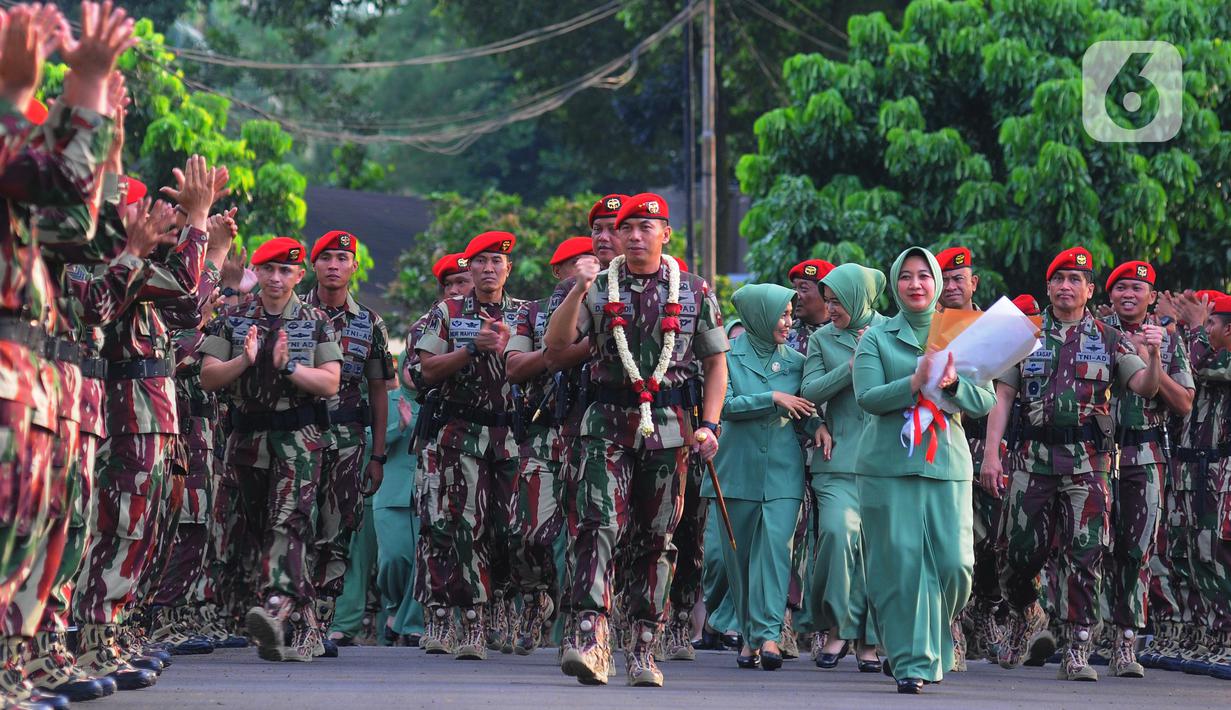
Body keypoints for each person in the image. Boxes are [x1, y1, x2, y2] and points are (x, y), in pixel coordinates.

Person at [544, 193, 728, 687]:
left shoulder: (692, 290)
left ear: (666, 234)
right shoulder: (600, 288)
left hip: (670, 429)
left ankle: (644, 643)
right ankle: (590, 636)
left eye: (649, 228)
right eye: (629, 229)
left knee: (657, 537)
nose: (638, 235)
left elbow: (715, 363)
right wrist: (576, 292)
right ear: (619, 238)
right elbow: (556, 346)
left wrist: (709, 424)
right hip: (605, 423)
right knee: (598, 525)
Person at [981, 246, 1163, 682]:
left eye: (1075, 280)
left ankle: (1077, 646)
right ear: (1048, 287)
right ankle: (1027, 610)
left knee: (1087, 552)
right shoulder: (1025, 334)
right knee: (1018, 553)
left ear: (1088, 289)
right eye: (1059, 279)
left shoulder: (1110, 337)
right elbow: (1002, 396)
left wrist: (1154, 355)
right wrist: (991, 453)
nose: (1066, 286)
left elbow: (1143, 386)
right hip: (1031, 461)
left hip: (1088, 463)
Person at [851, 246, 995, 693]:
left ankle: (926, 641)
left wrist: (952, 382)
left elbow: (985, 399)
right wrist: (914, 383)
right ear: (895, 284)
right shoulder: (877, 336)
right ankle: (911, 658)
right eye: (907, 276)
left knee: (955, 566)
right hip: (886, 465)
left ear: (936, 283)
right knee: (900, 566)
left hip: (945, 463)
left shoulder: (960, 332)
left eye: (925, 276)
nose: (917, 284)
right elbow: (868, 397)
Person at [200, 236, 343, 663]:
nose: (277, 278)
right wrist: (244, 362)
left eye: (286, 271)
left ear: (300, 275)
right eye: (269, 269)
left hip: (299, 441)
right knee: (258, 528)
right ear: (257, 273)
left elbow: (331, 382)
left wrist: (290, 367)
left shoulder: (317, 321)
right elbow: (209, 377)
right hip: (247, 442)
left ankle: (278, 609)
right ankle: (306, 627)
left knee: (290, 522)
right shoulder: (233, 318)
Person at [414, 231, 523, 661]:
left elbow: (543, 364)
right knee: (460, 528)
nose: (489, 268)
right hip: (460, 437)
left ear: (508, 268)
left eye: (497, 261)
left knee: (511, 531)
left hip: (511, 439)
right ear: (470, 267)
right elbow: (423, 371)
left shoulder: (525, 313)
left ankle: (505, 608)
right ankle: (470, 620)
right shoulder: (448, 312)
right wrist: (469, 350)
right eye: (481, 261)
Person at [710, 283, 817, 671]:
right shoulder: (725, 357)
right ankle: (750, 636)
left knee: (775, 552)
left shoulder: (797, 362)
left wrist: (818, 425)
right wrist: (771, 398)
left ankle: (769, 635)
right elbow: (723, 406)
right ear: (758, 315)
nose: (788, 322)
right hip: (734, 472)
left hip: (783, 472)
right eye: (781, 315)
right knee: (736, 560)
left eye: (791, 314)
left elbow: (807, 406)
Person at [1099, 261, 1193, 677]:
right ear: (1109, 296)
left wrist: (1147, 358)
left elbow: (1185, 403)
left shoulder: (1168, 341)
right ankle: (1088, 635)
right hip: (1096, 455)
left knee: (1137, 551)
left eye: (1137, 288)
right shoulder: (1093, 333)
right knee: (1091, 548)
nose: (1128, 295)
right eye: (1121, 288)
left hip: (1144, 456)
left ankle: (1125, 643)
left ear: (1152, 297)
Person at [505, 236, 598, 655]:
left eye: (592, 264)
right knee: (526, 532)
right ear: (558, 272)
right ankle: (537, 597)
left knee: (587, 535)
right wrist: (562, 353)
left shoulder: (613, 310)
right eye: (576, 266)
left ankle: (581, 627)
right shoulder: (533, 313)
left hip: (593, 433)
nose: (586, 272)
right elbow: (514, 367)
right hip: (544, 435)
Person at [304, 229, 394, 657]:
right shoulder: (294, 313)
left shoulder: (370, 322)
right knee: (294, 526)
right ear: (313, 265)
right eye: (326, 258)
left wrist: (378, 455)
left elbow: (379, 390)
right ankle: (291, 613)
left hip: (348, 442)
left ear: (355, 267)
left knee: (336, 532)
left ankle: (319, 622)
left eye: (343, 258)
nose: (334, 265)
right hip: (298, 438)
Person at [800, 263, 887, 673]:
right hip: (837, 460)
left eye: (837, 301)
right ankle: (838, 627)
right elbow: (809, 391)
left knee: (873, 549)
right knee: (837, 536)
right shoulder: (821, 338)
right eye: (828, 301)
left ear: (859, 297)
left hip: (885, 460)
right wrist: (852, 364)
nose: (830, 308)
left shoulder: (892, 329)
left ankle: (868, 641)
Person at [933, 245, 1000, 670]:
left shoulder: (996, 326)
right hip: (939, 440)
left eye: (961, 278)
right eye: (947, 279)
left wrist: (994, 451)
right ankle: (953, 628)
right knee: (951, 539)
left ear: (974, 283)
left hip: (986, 440)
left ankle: (990, 615)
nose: (954, 286)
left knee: (991, 540)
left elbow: (1002, 394)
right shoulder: (927, 324)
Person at [782, 258, 834, 659]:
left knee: (830, 539)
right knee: (791, 537)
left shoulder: (852, 333)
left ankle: (824, 624)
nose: (797, 296)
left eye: (805, 289)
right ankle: (783, 621)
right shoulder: (787, 338)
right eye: (796, 288)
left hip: (840, 451)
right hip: (796, 449)